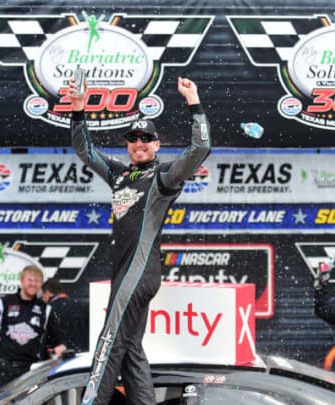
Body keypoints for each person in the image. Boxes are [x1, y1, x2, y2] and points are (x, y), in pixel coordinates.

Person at [69, 76, 210, 405]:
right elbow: (84, 149)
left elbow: (200, 148)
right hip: (128, 274)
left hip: (139, 272)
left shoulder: (162, 178)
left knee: (109, 341)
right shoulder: (119, 174)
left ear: (157, 145)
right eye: (133, 138)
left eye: (147, 138)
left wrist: (193, 100)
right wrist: (78, 110)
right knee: (130, 349)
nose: (139, 143)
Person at [0, 265, 67, 394]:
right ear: (21, 280)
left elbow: (56, 339)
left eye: (36, 281)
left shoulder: (45, 309)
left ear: (41, 284)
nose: (33, 284)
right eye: (30, 280)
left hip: (31, 371)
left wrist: (61, 346)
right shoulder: (3, 303)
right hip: (1, 369)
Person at [42, 278, 89, 352]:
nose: (43, 298)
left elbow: (44, 334)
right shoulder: (82, 305)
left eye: (43, 295)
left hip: (58, 354)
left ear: (47, 293)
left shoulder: (48, 307)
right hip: (82, 354)